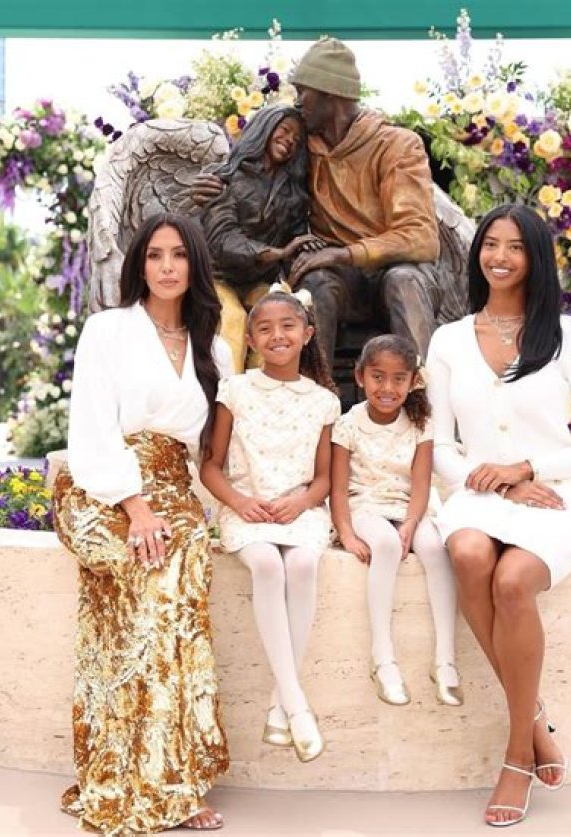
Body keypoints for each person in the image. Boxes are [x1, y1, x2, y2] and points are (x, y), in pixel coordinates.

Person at [426, 204, 571, 827]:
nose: (500, 257)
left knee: (512, 582)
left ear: (535, 258)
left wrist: (528, 470)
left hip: (554, 495)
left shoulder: (569, 336)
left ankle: (515, 757)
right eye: (490, 244)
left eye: (515, 247)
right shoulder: (449, 339)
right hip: (478, 493)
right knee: (469, 554)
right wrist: (496, 485)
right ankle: (532, 720)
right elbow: (439, 444)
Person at [53, 213, 233, 833]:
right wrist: (134, 506)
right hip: (101, 485)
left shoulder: (214, 346)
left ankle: (172, 777)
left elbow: (219, 445)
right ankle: (132, 773)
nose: (165, 266)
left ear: (194, 265)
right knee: (146, 570)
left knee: (177, 580)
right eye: (154, 255)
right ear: (139, 264)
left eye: (178, 255)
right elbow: (93, 427)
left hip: (174, 489)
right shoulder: (108, 329)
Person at [192, 37, 468, 365]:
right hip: (339, 279)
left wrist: (342, 253)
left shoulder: (397, 145)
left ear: (329, 94)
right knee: (315, 282)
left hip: (395, 271)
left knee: (403, 281)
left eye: (302, 93)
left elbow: (421, 238)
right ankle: (314, 398)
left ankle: (421, 396)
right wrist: (214, 183)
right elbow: (253, 170)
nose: (297, 104)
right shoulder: (302, 146)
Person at [200, 289, 340, 763]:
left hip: (300, 513)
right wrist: (240, 501)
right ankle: (295, 707)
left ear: (307, 334)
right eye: (264, 328)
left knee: (302, 566)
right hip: (246, 509)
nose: (277, 335)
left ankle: (281, 708)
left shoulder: (324, 402)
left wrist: (300, 502)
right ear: (253, 341)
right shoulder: (235, 391)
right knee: (266, 566)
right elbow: (212, 467)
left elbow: (323, 479)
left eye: (287, 326)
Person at [330, 334, 462, 708]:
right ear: (360, 377)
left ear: (412, 381)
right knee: (386, 546)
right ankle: (383, 658)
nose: (387, 388)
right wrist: (346, 533)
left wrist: (410, 523)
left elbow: (421, 484)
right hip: (364, 505)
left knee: (435, 547)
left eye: (398, 379)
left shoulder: (421, 423)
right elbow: (338, 490)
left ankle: (446, 659)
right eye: (377, 377)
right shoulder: (348, 424)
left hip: (408, 505)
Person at [200, 105, 322, 372]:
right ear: (265, 128)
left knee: (277, 318)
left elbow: (297, 241)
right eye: (284, 131)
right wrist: (277, 253)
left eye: (296, 140)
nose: (289, 140)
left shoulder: (293, 195)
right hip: (217, 278)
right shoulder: (226, 177)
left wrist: (305, 254)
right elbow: (223, 240)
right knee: (233, 319)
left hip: (259, 280)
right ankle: (228, 402)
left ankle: (267, 398)